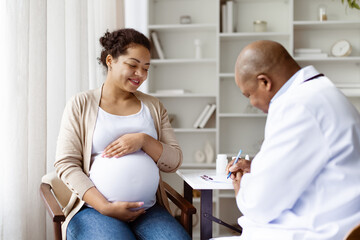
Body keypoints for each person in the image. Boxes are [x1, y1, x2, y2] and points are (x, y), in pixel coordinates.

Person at [54, 28, 191, 240]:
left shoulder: (153, 106)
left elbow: (174, 160)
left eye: (146, 68)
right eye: (133, 65)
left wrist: (143, 141)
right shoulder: (81, 104)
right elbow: (66, 164)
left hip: (149, 211)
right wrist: (105, 207)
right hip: (95, 211)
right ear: (110, 61)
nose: (141, 74)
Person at [225, 40, 360, 240]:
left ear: (265, 82)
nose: (252, 103)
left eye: (249, 95)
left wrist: (242, 185)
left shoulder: (299, 106)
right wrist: (259, 169)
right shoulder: (319, 92)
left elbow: (259, 205)